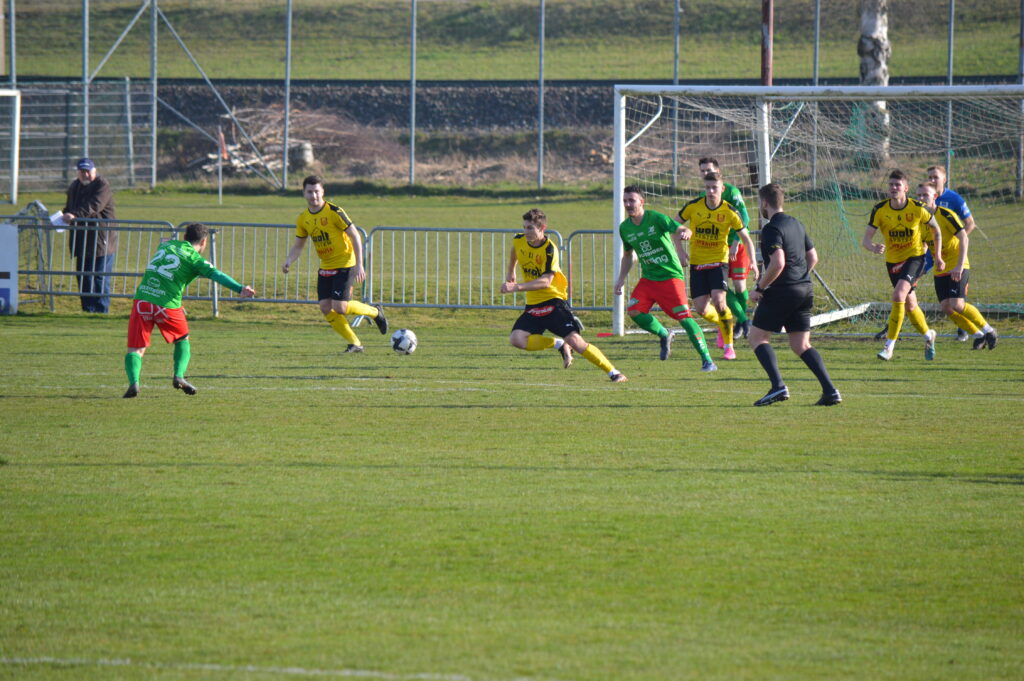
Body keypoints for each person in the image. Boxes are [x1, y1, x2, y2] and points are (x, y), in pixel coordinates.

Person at [123, 222, 256, 398]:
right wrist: (240, 289)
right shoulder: (196, 259)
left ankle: (134, 383)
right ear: (204, 242)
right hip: (167, 304)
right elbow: (217, 274)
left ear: (184, 237)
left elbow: (165, 251)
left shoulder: (167, 244)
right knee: (182, 339)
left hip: (142, 300)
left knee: (136, 348)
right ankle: (179, 376)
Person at [501, 209, 627, 383]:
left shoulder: (549, 249)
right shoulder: (519, 239)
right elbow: (516, 249)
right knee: (517, 339)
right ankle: (559, 344)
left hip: (554, 301)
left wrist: (516, 287)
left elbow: (546, 281)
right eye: (524, 227)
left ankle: (614, 372)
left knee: (576, 341)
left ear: (542, 228)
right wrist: (511, 270)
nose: (526, 232)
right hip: (533, 304)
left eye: (530, 228)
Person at [748, 183, 840, 406]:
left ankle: (778, 387)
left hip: (782, 291)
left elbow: (778, 263)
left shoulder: (771, 229)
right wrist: (799, 277)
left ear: (765, 203)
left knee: (757, 337)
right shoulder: (797, 224)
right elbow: (813, 257)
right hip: (804, 289)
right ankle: (830, 391)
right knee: (801, 345)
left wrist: (760, 287)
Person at [613, 186, 717, 372]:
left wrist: (686, 233)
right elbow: (628, 255)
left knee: (685, 318)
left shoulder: (656, 218)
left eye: (632, 200)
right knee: (634, 311)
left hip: (670, 277)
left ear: (641, 202)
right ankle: (664, 334)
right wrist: (621, 278)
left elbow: (681, 227)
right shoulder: (625, 228)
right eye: (625, 201)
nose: (628, 204)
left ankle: (707, 360)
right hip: (649, 279)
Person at [281, 175, 388, 352]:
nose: (313, 196)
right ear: (304, 193)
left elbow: (355, 235)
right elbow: (299, 245)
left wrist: (359, 264)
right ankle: (355, 344)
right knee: (325, 307)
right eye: (310, 192)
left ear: (323, 191)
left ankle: (376, 311)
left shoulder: (334, 211)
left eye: (317, 191)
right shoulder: (303, 219)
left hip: (345, 263)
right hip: (326, 266)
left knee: (340, 307)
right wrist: (288, 260)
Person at [677, 171, 759, 361]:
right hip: (697, 263)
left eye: (714, 188)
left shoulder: (729, 210)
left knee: (719, 301)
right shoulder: (693, 207)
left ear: (723, 189)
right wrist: (681, 248)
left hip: (718, 262)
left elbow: (746, 238)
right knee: (701, 309)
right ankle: (724, 323)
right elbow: (673, 225)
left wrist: (753, 262)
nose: (710, 191)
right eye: (707, 188)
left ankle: (729, 347)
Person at [863, 170, 943, 361]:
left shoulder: (918, 208)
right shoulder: (880, 210)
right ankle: (928, 335)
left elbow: (936, 230)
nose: (893, 188)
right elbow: (866, 239)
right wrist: (873, 247)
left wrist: (937, 256)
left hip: (915, 258)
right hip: (892, 261)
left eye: (897, 185)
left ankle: (889, 346)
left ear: (905, 188)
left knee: (898, 295)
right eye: (891, 184)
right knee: (909, 303)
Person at [915, 182, 997, 350]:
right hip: (940, 267)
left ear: (935, 197)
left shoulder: (946, 214)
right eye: (919, 195)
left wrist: (959, 265)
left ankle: (989, 331)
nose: (921, 199)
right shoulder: (919, 219)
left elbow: (964, 238)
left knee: (957, 304)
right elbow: (923, 244)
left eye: (925, 195)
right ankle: (978, 335)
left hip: (956, 264)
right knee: (946, 307)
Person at [697, 157, 754, 342]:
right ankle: (745, 321)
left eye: (709, 170)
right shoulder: (706, 195)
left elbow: (744, 217)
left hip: (736, 245)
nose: (706, 173)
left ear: (718, 171)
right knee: (719, 287)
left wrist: (736, 242)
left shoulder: (732, 192)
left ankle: (739, 322)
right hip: (716, 248)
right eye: (703, 171)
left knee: (739, 286)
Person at [62, 157, 117, 313]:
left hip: (101, 239)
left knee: (99, 277)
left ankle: (101, 311)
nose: (85, 174)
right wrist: (63, 216)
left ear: (94, 171)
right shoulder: (74, 186)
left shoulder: (102, 185)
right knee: (84, 277)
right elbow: (69, 207)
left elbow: (94, 205)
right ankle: (88, 310)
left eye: (88, 171)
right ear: (78, 172)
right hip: (81, 239)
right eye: (82, 171)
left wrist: (75, 215)